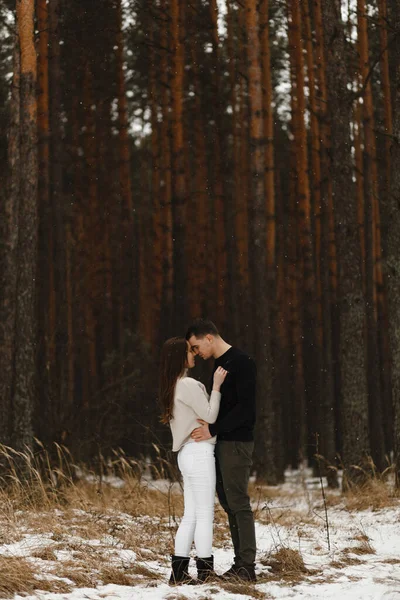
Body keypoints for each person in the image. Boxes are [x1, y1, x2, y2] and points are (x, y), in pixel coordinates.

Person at [187, 319, 257, 582]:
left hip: (237, 442)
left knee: (238, 501)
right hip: (222, 442)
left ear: (209, 337)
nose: (196, 353)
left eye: (196, 347)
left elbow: (246, 409)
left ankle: (247, 567)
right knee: (228, 502)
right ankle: (241, 564)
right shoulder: (218, 365)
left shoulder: (242, 361)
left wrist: (213, 430)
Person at [159, 337, 228, 585]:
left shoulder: (173, 384)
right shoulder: (187, 384)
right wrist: (217, 386)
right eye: (190, 351)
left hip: (187, 455)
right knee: (204, 514)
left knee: (191, 515)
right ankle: (206, 572)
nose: (194, 354)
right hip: (199, 453)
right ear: (180, 357)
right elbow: (210, 414)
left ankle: (178, 573)